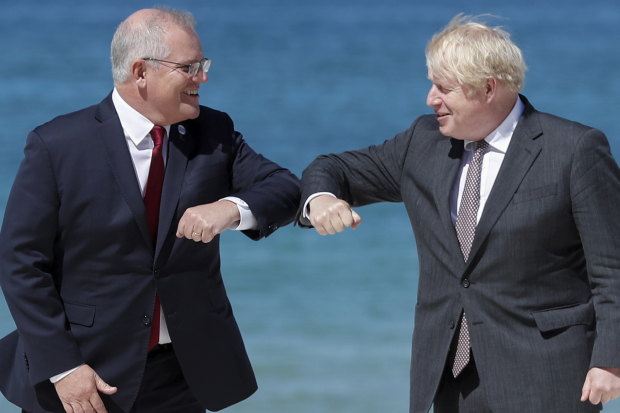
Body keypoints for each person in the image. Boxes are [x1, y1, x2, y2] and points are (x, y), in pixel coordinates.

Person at [299, 14, 620, 413]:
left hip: (547, 376)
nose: (431, 99)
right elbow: (332, 168)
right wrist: (323, 200)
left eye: (444, 88)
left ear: (488, 88)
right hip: (448, 380)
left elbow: (612, 266)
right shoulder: (423, 142)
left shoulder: (574, 149)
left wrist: (610, 360)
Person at [0, 7, 299, 413]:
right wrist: (64, 367)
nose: (203, 78)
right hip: (84, 375)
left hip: (182, 375)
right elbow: (19, 262)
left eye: (203, 65)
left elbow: (284, 188)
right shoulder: (57, 145)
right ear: (140, 71)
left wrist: (230, 208)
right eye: (190, 67)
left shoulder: (213, 133)